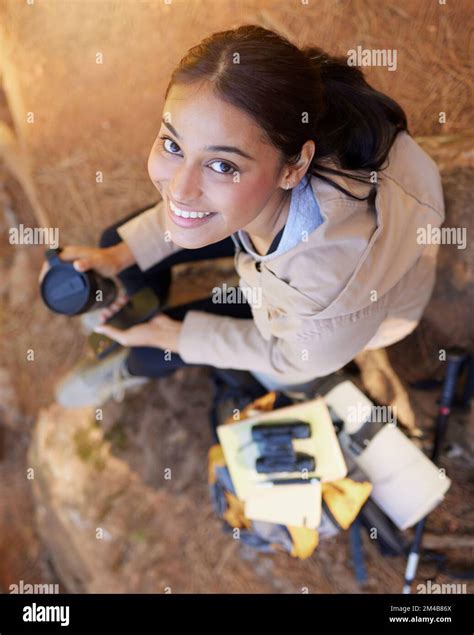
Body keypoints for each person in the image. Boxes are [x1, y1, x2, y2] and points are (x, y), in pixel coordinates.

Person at [55, 24, 444, 408]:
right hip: (266, 209)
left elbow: (290, 360)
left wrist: (170, 337)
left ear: (294, 168)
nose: (179, 188)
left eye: (222, 165)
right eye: (173, 144)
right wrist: (117, 258)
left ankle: (131, 361)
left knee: (155, 347)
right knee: (115, 243)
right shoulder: (281, 119)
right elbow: (190, 203)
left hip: (319, 321)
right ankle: (124, 306)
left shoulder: (323, 301)